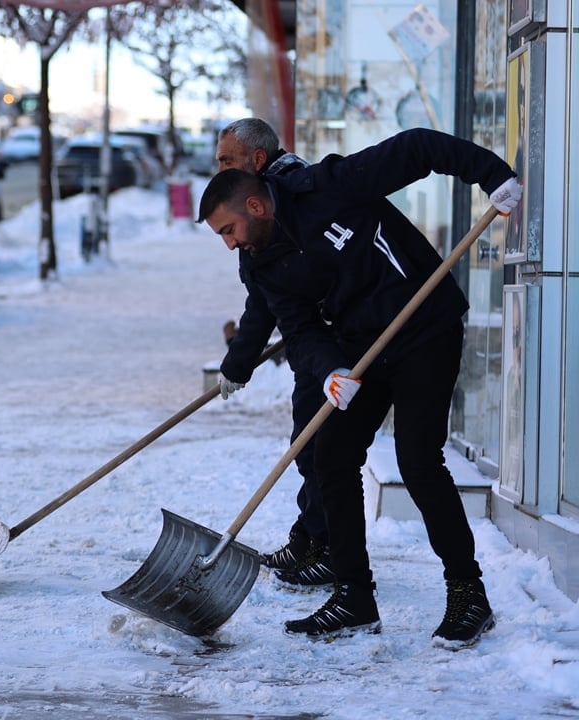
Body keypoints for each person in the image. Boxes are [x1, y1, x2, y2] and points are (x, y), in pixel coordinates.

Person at [196, 129, 521, 648]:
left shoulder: (329, 186)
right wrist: (327, 371)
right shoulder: (260, 262)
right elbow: (298, 330)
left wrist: (493, 175)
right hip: (360, 352)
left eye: (229, 229)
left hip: (424, 329)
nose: (230, 242)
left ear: (255, 204)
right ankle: (354, 597)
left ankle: (468, 593)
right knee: (332, 458)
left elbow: (417, 148)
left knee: (418, 460)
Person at [212, 118, 331, 588]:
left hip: (337, 342)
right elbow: (260, 299)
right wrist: (237, 363)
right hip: (311, 341)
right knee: (307, 445)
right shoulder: (254, 203)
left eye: (227, 160)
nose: (218, 168)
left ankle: (328, 548)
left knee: (325, 450)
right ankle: (310, 537)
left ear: (257, 160)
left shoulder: (293, 194)